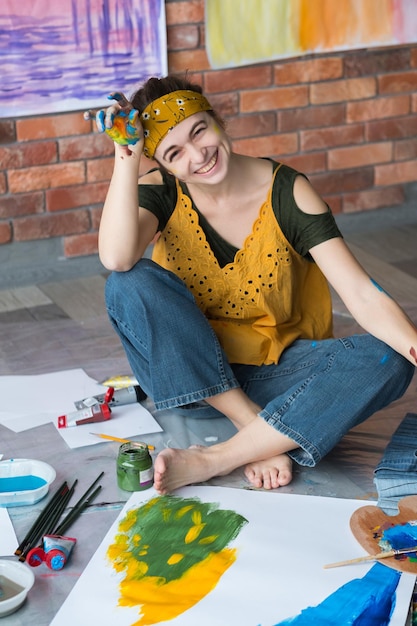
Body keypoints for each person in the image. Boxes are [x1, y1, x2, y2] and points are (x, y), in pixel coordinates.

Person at [96, 74, 416, 496]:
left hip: (277, 374)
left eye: (199, 131)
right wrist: (127, 155)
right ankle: (254, 426)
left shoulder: (289, 191)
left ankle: (215, 458)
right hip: (187, 378)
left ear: (217, 120)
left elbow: (359, 293)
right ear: (164, 164)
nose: (199, 154)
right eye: (175, 152)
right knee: (129, 281)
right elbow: (116, 259)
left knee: (389, 358)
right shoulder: (161, 191)